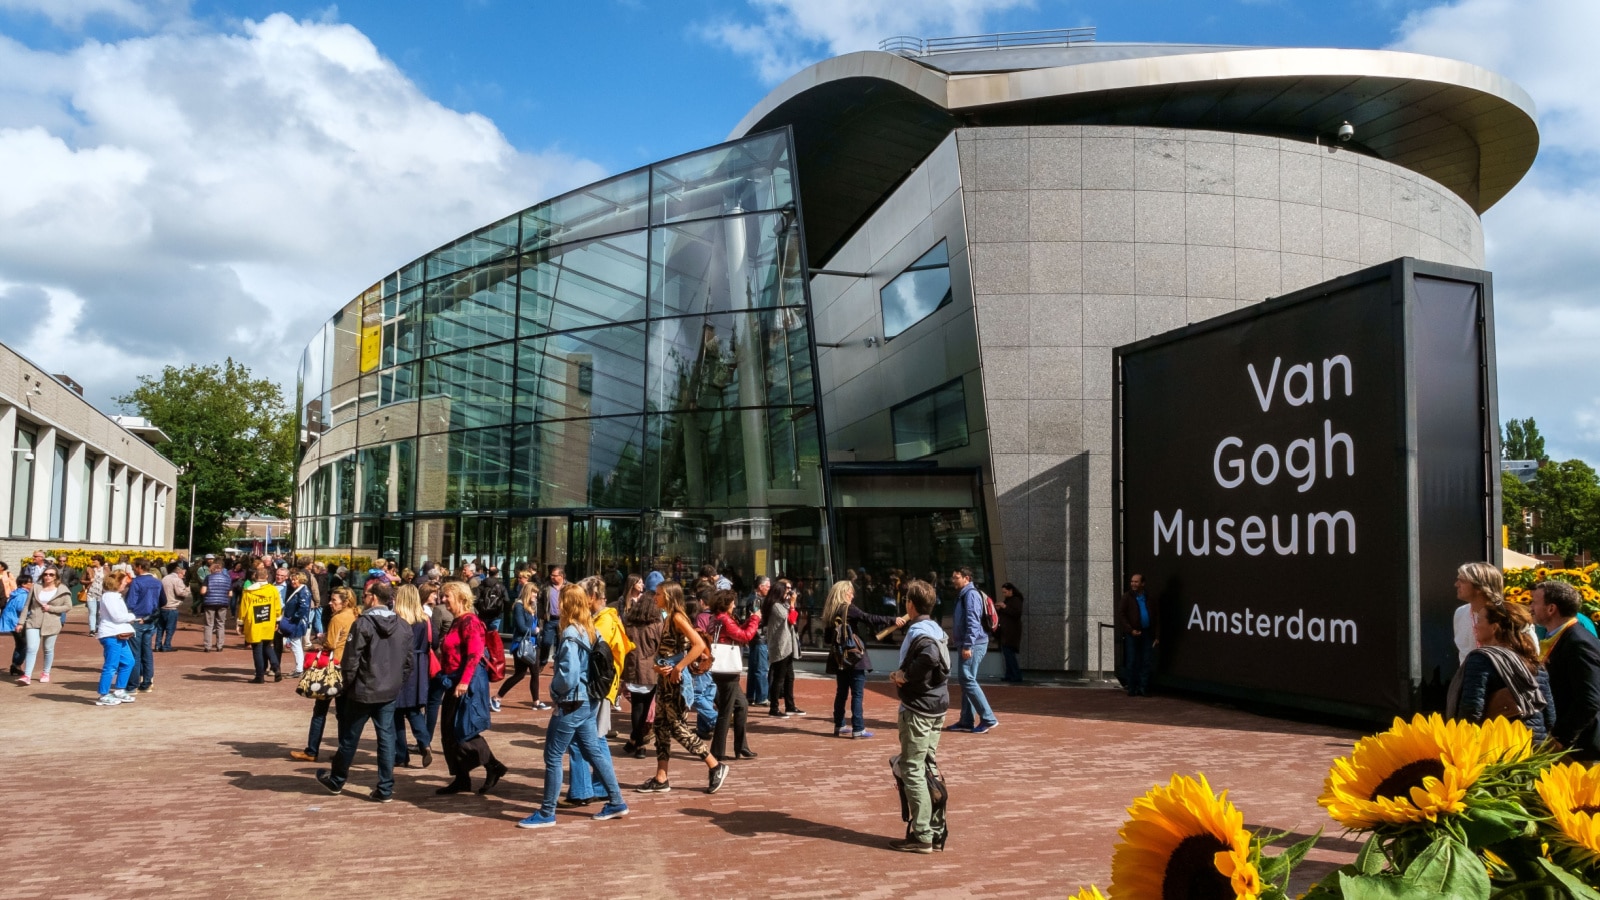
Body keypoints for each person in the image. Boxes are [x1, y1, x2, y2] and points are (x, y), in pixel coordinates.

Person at [516, 583, 629, 828]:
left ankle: (547, 812)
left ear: (566, 604)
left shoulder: (569, 633)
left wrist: (554, 693)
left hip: (572, 701)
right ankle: (617, 800)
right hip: (589, 699)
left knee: (553, 755)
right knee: (593, 751)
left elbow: (568, 675)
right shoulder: (591, 629)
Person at [316, 580, 413, 802]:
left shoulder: (363, 624)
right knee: (386, 738)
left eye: (367, 594)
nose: (364, 597)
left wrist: (344, 686)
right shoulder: (402, 625)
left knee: (350, 738)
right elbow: (408, 663)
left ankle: (337, 780)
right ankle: (386, 788)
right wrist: (397, 683)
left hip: (363, 690)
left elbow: (351, 661)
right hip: (388, 691)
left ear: (373, 597)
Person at [636, 580, 728, 795]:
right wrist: (660, 668)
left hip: (676, 684)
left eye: (658, 594)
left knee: (678, 727)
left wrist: (678, 667)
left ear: (668, 596)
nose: (655, 598)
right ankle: (661, 776)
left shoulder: (677, 617)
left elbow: (698, 645)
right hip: (665, 682)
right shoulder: (666, 618)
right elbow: (665, 652)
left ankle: (715, 765)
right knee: (660, 727)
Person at [888, 578, 951, 853]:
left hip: (919, 709)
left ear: (910, 604)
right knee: (926, 765)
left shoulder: (921, 633)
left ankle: (923, 834)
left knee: (912, 768)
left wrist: (906, 676)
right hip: (936, 706)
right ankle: (935, 830)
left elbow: (928, 657)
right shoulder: (935, 628)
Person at [561, 575, 633, 805]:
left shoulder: (602, 621)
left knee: (587, 739)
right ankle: (596, 787)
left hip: (594, 688)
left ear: (591, 598)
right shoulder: (606, 618)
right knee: (594, 738)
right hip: (600, 688)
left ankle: (584, 790)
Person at [435, 581, 508, 795]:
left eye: (447, 596)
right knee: (449, 732)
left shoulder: (470, 621)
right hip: (452, 680)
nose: (443, 599)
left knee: (464, 731)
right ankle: (461, 778)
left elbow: (475, 654)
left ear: (461, 598)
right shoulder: (457, 621)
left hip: (467, 682)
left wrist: (464, 682)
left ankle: (493, 766)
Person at [1448, 598, 1554, 741]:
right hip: (1533, 748)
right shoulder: (1535, 663)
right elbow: (1550, 716)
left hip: (1497, 748)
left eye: (1479, 621)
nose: (1475, 626)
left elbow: (1471, 710)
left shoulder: (1481, 660)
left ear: (1494, 628)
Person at [822, 579, 908, 739]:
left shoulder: (831, 611)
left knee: (841, 693)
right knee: (857, 693)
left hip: (839, 657)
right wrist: (892, 620)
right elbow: (869, 618)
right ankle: (858, 728)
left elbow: (827, 639)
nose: (853, 596)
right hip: (854, 656)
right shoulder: (849, 608)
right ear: (845, 593)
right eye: (851, 592)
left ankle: (839, 725)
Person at [1533, 580, 1600, 761]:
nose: (1531, 607)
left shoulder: (1579, 643)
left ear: (1551, 609)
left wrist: (1560, 738)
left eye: (1535, 602)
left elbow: (1590, 700)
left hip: (1579, 749)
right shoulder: (1558, 636)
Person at [291, 587, 357, 762]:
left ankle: (312, 750)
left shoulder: (338, 618)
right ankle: (343, 752)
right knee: (343, 713)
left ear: (345, 602)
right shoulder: (355, 615)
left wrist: (319, 641)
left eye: (334, 600)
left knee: (320, 711)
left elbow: (331, 643)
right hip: (346, 667)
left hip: (331, 667)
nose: (330, 603)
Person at [707, 588, 760, 761]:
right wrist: (755, 620)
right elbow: (745, 636)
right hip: (727, 670)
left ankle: (741, 746)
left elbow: (736, 632)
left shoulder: (717, 618)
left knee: (742, 705)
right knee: (726, 710)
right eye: (732, 603)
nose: (734, 605)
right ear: (726, 604)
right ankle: (718, 751)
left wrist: (749, 621)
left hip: (723, 669)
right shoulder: (724, 619)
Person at [620, 574, 663, 759]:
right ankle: (639, 742)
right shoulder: (656, 624)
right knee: (646, 709)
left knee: (637, 708)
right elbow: (661, 646)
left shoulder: (629, 622)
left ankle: (635, 741)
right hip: (650, 670)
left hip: (632, 668)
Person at [392, 585, 434, 769]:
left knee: (396, 712)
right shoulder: (425, 620)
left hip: (400, 664)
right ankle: (424, 742)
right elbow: (436, 641)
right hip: (420, 665)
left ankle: (401, 755)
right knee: (415, 709)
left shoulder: (398, 620)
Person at [17, 565, 74, 685]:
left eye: (51, 574)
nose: (48, 576)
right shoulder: (36, 587)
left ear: (56, 577)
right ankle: (27, 675)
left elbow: (68, 606)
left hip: (52, 622)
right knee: (31, 648)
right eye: (45, 574)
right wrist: (21, 622)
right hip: (33, 621)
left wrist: (51, 608)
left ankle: (46, 672)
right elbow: (27, 605)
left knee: (48, 649)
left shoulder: (62, 589)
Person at [495, 570, 540, 711]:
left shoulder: (532, 607)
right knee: (519, 675)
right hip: (521, 644)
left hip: (532, 644)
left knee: (535, 672)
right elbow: (521, 627)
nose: (536, 596)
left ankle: (536, 702)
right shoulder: (519, 606)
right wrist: (535, 631)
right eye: (534, 593)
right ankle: (497, 697)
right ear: (528, 592)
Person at [93, 571, 139, 706]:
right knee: (111, 665)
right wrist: (133, 617)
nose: (126, 583)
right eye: (124, 581)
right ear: (117, 582)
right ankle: (103, 694)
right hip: (110, 635)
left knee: (129, 661)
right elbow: (117, 617)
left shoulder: (115, 596)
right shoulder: (109, 597)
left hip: (119, 633)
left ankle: (119, 690)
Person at [764, 578, 805, 717]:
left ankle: (790, 705)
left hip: (788, 645)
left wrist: (791, 603)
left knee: (789, 677)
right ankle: (774, 708)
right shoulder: (775, 606)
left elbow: (794, 617)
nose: (789, 592)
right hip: (780, 646)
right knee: (779, 678)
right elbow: (790, 619)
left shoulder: (783, 604)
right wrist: (792, 603)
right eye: (786, 590)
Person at [1453, 562, 1508, 662]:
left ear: (1479, 587)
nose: (1456, 584)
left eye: (1462, 581)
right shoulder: (1460, 613)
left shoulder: (1508, 615)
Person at [238, 565, 283, 683]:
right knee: (268, 646)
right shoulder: (273, 590)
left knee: (257, 649)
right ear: (267, 576)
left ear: (255, 576)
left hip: (254, 623)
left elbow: (243, 609)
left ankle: (259, 676)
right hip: (268, 621)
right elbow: (278, 607)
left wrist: (240, 623)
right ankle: (276, 667)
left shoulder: (248, 591)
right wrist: (277, 620)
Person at [124, 558, 163, 692]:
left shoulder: (136, 582)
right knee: (147, 652)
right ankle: (147, 682)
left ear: (140, 567)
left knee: (135, 653)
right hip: (150, 620)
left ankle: (133, 685)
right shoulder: (157, 582)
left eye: (134, 567)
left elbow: (130, 603)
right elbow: (163, 601)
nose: (133, 570)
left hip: (137, 619)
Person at [1118, 573, 1159, 698]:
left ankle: (1143, 688)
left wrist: (1157, 636)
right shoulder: (1127, 597)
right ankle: (1132, 688)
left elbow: (1156, 617)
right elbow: (1121, 614)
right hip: (1133, 634)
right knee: (1132, 661)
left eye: (1136, 582)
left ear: (1143, 583)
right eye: (1132, 581)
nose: (1133, 584)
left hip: (1146, 633)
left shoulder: (1149, 597)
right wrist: (1130, 630)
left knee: (1146, 661)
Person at [740, 576, 771, 707]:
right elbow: (757, 619)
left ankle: (751, 695)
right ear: (760, 587)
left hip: (755, 637)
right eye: (767, 586)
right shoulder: (756, 600)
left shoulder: (753, 599)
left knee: (754, 668)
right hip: (759, 637)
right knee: (760, 668)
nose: (769, 589)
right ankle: (762, 696)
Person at [279, 570, 313, 677]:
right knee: (296, 644)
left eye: (295, 579)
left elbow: (303, 607)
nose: (293, 581)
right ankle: (299, 668)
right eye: (292, 579)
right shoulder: (301, 590)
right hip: (296, 621)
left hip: (296, 622)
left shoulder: (303, 591)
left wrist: (293, 618)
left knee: (295, 644)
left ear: (301, 580)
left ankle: (299, 669)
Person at [200, 559, 232, 651]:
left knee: (209, 625)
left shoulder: (208, 578)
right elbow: (230, 594)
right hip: (223, 603)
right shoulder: (227, 578)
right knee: (220, 624)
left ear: (212, 569)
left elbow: (203, 591)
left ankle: (207, 646)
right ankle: (220, 645)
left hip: (209, 603)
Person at [157, 561, 189, 652]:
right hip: (172, 607)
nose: (183, 575)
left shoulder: (164, 578)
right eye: (182, 573)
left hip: (162, 606)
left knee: (160, 627)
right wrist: (187, 590)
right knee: (170, 628)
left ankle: (157, 644)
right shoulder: (177, 580)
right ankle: (167, 645)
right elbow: (180, 592)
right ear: (178, 572)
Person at [996, 582, 1025, 683]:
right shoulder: (1009, 600)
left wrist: (1004, 607)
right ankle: (1009, 675)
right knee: (1007, 654)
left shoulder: (1016, 600)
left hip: (1011, 632)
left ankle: (1015, 675)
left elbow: (1016, 613)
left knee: (1009, 654)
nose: (1004, 594)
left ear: (1011, 591)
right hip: (1006, 631)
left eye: (1005, 592)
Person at [6, 573, 32, 675]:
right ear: (24, 584)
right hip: (17, 623)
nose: (32, 584)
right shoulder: (23, 595)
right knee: (25, 645)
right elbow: (22, 608)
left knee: (20, 644)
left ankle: (15, 665)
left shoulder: (17, 593)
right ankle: (17, 664)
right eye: (30, 582)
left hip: (13, 623)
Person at [82, 555, 105, 634]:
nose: (92, 562)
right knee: (92, 612)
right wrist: (89, 582)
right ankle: (92, 629)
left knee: (99, 612)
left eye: (94, 561)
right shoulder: (89, 569)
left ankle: (98, 627)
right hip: (91, 593)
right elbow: (81, 580)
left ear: (99, 561)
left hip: (102, 594)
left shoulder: (106, 569)